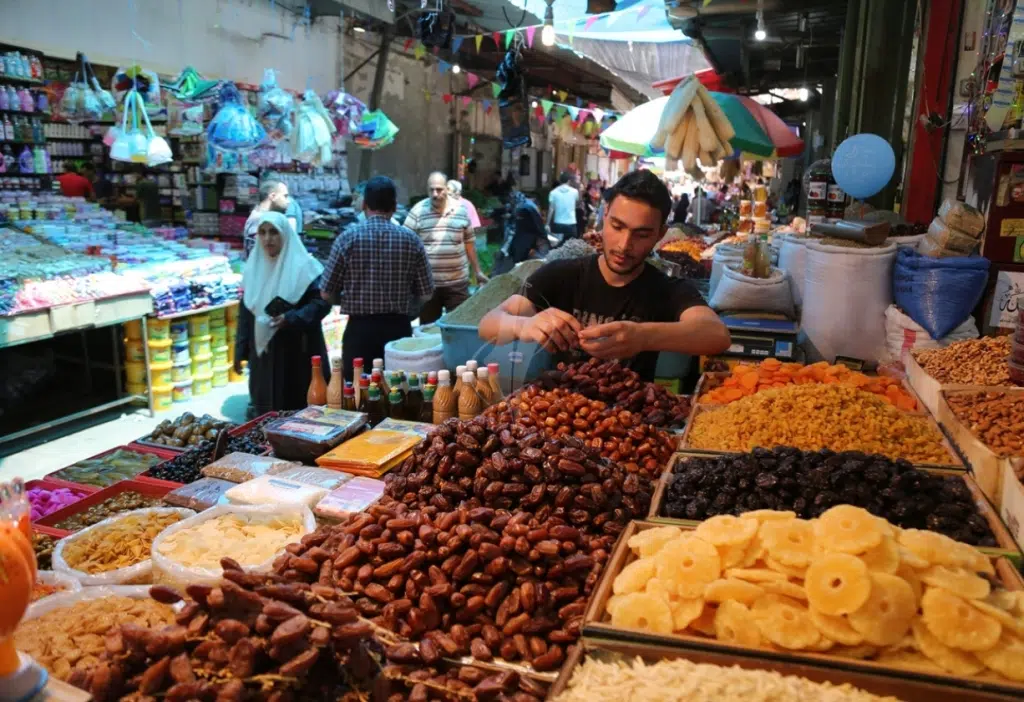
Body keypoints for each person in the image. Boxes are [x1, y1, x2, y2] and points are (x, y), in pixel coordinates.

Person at [478, 170, 731, 381]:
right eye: (617, 226)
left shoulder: (667, 289)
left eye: (641, 234)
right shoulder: (562, 274)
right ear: (605, 215)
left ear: (660, 234)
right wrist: (525, 325)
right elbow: (488, 325)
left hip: (629, 415)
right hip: (561, 411)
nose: (624, 245)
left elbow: (716, 335)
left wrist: (643, 337)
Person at [321, 176, 435, 381]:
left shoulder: (346, 239)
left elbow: (326, 293)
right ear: (394, 206)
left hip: (359, 332)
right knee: (397, 389)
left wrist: (345, 300)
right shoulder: (411, 240)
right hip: (398, 332)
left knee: (358, 391)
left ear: (364, 204)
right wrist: (411, 309)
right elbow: (426, 293)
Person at [234, 212, 331, 415]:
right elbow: (246, 312)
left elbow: (322, 303)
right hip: (263, 354)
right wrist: (241, 350)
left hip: (297, 351)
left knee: (297, 409)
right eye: (262, 233)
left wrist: (291, 318)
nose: (267, 238)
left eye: (273, 232)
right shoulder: (254, 268)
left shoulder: (306, 268)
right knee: (265, 408)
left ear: (285, 234)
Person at [404, 171, 488, 324]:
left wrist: (477, 271)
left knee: (459, 327)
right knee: (428, 330)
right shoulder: (417, 211)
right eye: (431, 190)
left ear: (447, 189)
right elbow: (406, 244)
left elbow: (469, 243)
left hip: (457, 284)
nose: (435, 194)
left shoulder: (461, 210)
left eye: (439, 189)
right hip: (428, 286)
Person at [492, 186, 547, 275]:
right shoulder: (521, 206)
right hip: (519, 244)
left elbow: (538, 229)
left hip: (524, 245)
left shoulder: (526, 208)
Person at [243, 180, 291, 259]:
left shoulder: (261, 216)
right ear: (273, 196)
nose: (288, 201)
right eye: (285, 196)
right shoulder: (260, 219)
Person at [546, 172, 579, 245]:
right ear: (569, 181)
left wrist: (547, 224)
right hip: (571, 224)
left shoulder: (553, 192)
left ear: (560, 181)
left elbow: (551, 209)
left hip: (558, 224)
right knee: (571, 247)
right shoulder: (575, 192)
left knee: (558, 247)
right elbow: (576, 204)